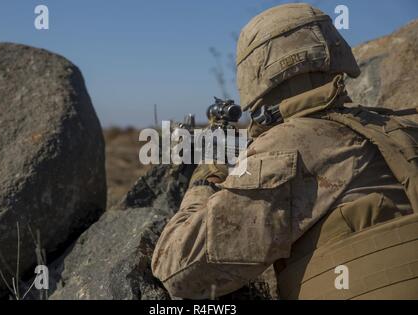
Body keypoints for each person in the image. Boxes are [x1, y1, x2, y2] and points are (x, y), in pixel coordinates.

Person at [151, 3, 418, 299]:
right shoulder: (402, 124)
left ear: (255, 74)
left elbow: (179, 269)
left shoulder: (287, 146)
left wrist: (205, 179)